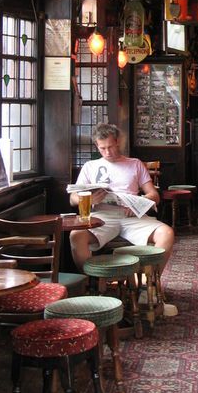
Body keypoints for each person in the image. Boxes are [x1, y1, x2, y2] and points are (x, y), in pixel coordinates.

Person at [69, 123, 177, 314]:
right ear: (96, 146)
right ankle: (95, 282)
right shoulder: (90, 166)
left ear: (117, 142)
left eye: (110, 146)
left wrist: (138, 203)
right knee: (76, 236)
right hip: (101, 215)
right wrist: (88, 198)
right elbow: (72, 198)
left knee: (166, 233)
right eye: (102, 148)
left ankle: (148, 285)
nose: (107, 152)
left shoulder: (134, 164)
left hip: (132, 215)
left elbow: (154, 195)